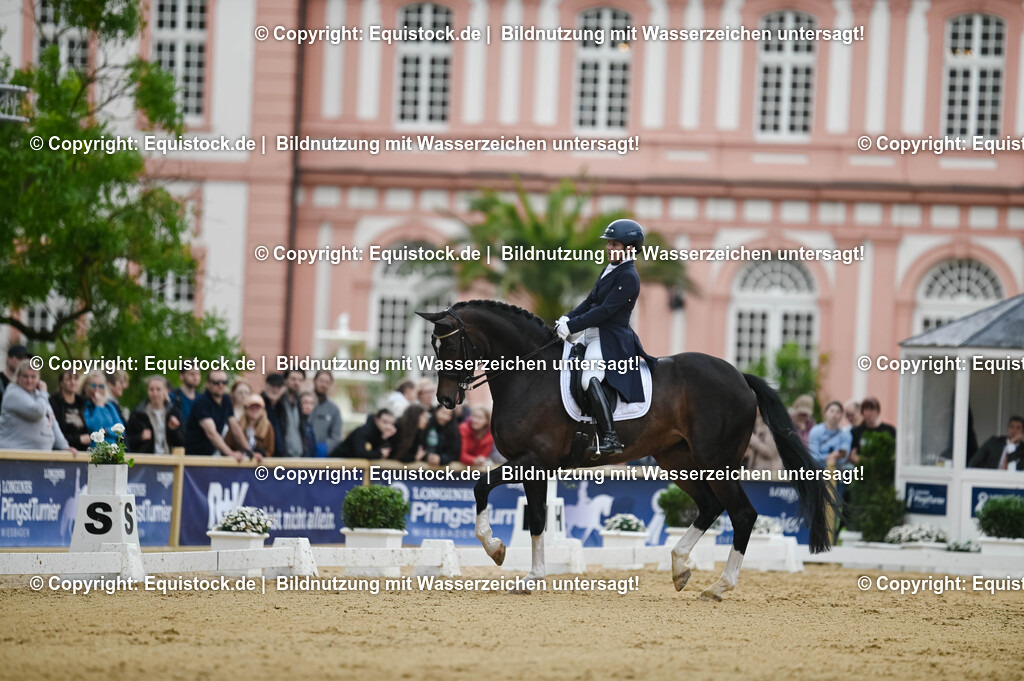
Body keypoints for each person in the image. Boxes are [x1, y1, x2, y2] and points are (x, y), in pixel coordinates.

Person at [555, 218, 657, 455]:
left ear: (629, 248)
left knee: (588, 378)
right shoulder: (610, 269)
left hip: (610, 339)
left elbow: (604, 311)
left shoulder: (629, 276)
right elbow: (590, 302)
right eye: (609, 243)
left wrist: (572, 327)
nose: (609, 248)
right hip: (591, 334)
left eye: (614, 244)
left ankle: (610, 437)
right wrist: (567, 318)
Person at [184, 369, 262, 462]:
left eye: (224, 382)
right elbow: (211, 433)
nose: (221, 385)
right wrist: (230, 453)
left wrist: (250, 452)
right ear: (207, 384)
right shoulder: (202, 403)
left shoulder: (226, 400)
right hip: (193, 458)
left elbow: (235, 427)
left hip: (210, 456)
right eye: (216, 382)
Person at [0, 360, 72, 452]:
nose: (29, 381)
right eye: (25, 376)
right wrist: (43, 392)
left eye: (33, 377)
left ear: (39, 378)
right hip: (14, 454)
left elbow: (52, 420)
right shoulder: (13, 393)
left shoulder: (39, 395)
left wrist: (64, 446)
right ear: (18, 377)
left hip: (39, 455)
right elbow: (37, 412)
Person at [125, 376, 184, 454]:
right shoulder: (138, 414)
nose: (155, 393)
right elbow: (127, 441)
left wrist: (173, 430)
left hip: (169, 458)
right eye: (151, 389)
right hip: (145, 459)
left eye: (158, 389)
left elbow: (182, 442)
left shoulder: (174, 413)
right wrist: (140, 437)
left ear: (167, 391)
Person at [331, 408, 396, 459]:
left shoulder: (383, 435)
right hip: (338, 463)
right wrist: (379, 453)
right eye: (385, 422)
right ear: (376, 420)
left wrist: (385, 439)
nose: (388, 426)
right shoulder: (363, 431)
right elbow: (360, 453)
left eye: (391, 424)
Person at [50, 369, 90, 450]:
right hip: (62, 450)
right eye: (68, 379)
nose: (73, 382)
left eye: (75, 379)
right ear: (61, 383)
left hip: (83, 451)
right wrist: (78, 439)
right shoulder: (54, 403)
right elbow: (54, 432)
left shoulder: (83, 403)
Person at [850, 396, 896, 464]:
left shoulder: (889, 430)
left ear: (878, 411)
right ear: (862, 412)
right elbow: (852, 456)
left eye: (872, 409)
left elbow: (893, 454)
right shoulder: (855, 432)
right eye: (866, 409)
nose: (869, 413)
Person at [808, 401, 853, 469]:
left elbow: (844, 456)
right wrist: (830, 456)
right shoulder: (815, 432)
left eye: (838, 412)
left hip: (838, 469)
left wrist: (832, 457)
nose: (834, 415)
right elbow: (814, 457)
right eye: (832, 411)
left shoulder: (846, 435)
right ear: (825, 413)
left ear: (841, 416)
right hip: (818, 469)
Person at [82, 370, 124, 443]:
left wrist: (106, 431)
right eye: (93, 385)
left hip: (111, 447)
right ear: (86, 387)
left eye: (100, 386)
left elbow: (121, 430)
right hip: (94, 448)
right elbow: (94, 428)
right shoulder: (84, 406)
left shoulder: (109, 406)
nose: (97, 389)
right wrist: (98, 406)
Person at [311, 370, 343, 456]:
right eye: (321, 381)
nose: (324, 385)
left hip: (322, 457)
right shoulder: (301, 403)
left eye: (327, 382)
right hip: (298, 456)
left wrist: (322, 449)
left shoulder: (334, 410)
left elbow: (336, 437)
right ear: (314, 381)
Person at [280, 370, 305, 457]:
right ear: (285, 380)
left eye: (300, 380)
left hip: (298, 456)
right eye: (293, 379)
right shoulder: (278, 403)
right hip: (282, 456)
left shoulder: (299, 403)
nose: (296, 383)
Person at [261, 373, 287, 455]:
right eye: (272, 386)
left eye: (278, 386)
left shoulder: (282, 406)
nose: (275, 389)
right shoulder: (259, 404)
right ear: (266, 386)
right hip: (263, 454)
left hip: (280, 453)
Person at [171, 368, 202, 436]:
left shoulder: (202, 399)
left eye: (198, 374)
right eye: (192, 374)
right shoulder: (172, 397)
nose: (196, 377)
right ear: (181, 376)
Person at [0, 344, 30, 413]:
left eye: (25, 359)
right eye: (20, 358)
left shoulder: (26, 384)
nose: (23, 362)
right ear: (9, 358)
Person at [299, 391, 318, 457]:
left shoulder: (309, 425)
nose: (308, 406)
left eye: (311, 403)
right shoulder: (297, 423)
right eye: (305, 402)